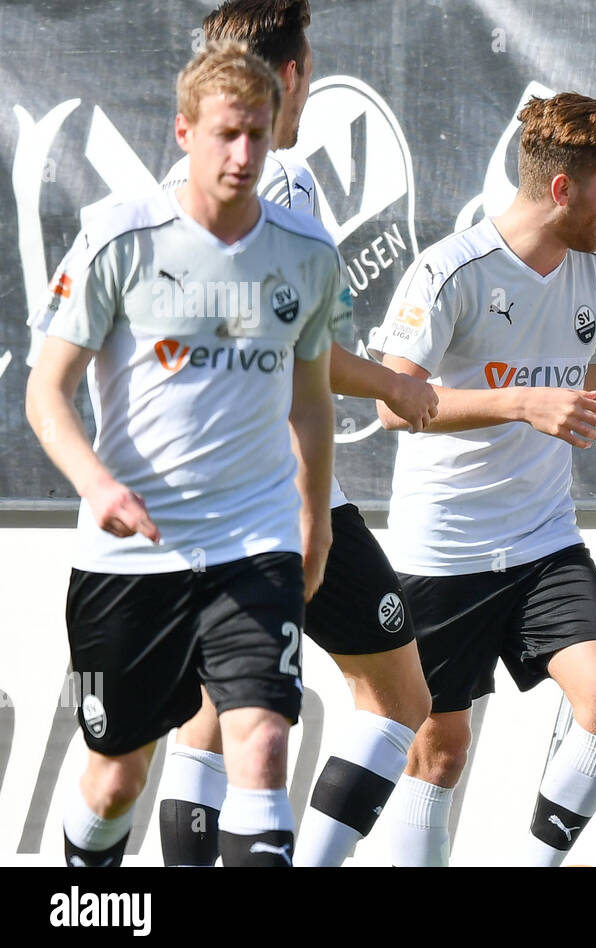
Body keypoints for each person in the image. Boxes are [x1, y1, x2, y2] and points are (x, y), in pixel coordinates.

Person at [26, 40, 342, 866]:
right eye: (227, 135)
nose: (243, 155)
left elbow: (311, 402)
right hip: (130, 558)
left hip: (255, 543)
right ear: (183, 132)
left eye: (259, 137)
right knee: (115, 782)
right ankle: (87, 901)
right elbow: (45, 392)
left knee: (264, 745)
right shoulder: (116, 238)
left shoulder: (305, 253)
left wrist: (315, 521)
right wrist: (97, 486)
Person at [368, 91, 596, 866]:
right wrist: (519, 403)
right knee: (440, 753)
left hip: (543, 543)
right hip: (442, 549)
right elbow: (391, 404)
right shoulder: (449, 270)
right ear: (561, 189)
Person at [152, 0, 435, 868]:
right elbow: (297, 352)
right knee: (395, 698)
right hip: (276, 486)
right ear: (296, 72)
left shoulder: (175, 180)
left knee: (210, 714)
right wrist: (392, 380)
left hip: (187, 487)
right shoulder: (281, 179)